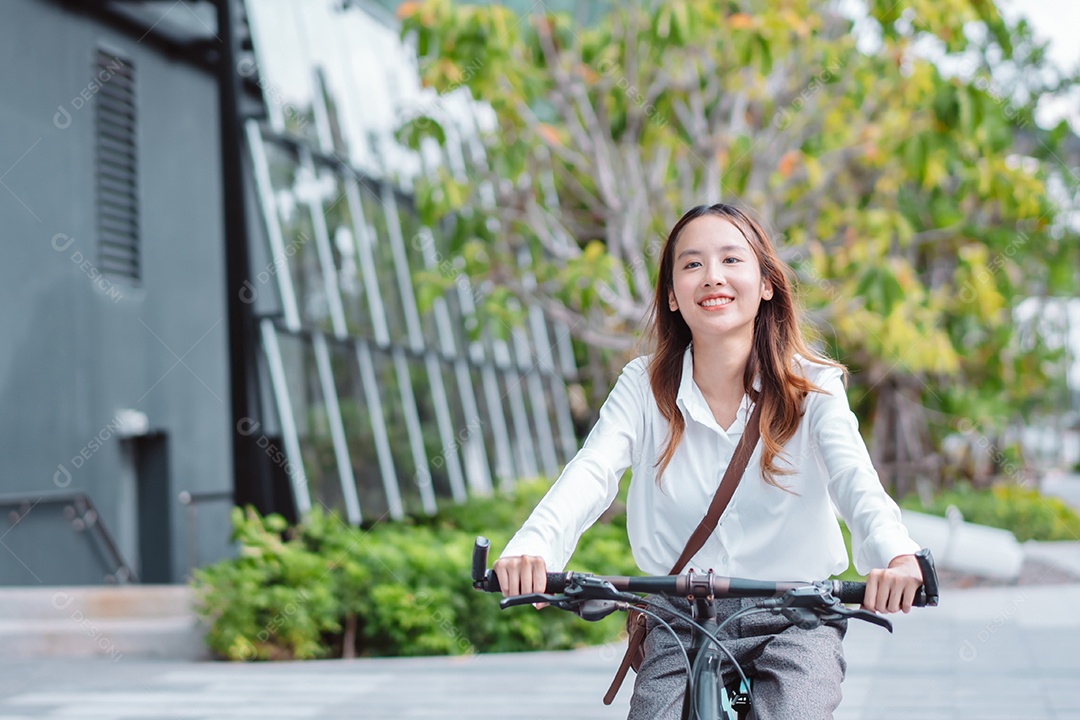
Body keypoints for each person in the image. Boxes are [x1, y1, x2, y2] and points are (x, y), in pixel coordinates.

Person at [493, 203, 924, 719]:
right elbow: (591, 472)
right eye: (692, 264)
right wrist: (534, 549)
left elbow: (856, 480)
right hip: (680, 617)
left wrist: (895, 557)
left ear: (766, 282)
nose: (712, 277)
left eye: (731, 260)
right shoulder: (643, 387)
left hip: (795, 618)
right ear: (672, 295)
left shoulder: (812, 387)